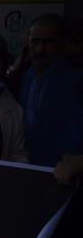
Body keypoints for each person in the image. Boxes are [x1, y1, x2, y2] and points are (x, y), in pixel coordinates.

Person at [19, 14, 83, 166]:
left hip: (58, 170)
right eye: (35, 41)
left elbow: (75, 131)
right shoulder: (26, 77)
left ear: (60, 43)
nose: (40, 49)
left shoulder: (74, 80)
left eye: (48, 42)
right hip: (26, 164)